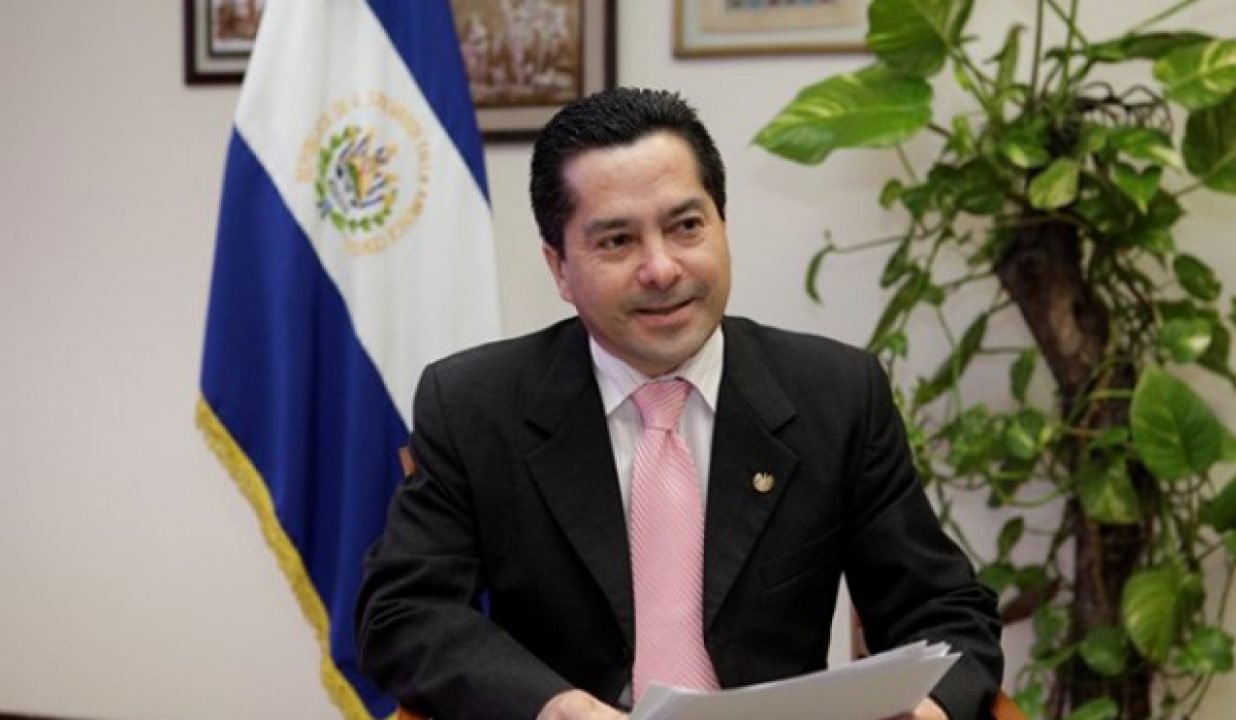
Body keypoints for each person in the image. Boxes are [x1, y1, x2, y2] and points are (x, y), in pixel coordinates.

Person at [356, 88, 1003, 720]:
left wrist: (930, 709)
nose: (662, 269)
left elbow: (942, 608)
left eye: (686, 226)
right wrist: (555, 707)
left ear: (722, 227)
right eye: (617, 241)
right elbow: (405, 612)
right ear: (559, 268)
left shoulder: (835, 394)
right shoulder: (475, 406)